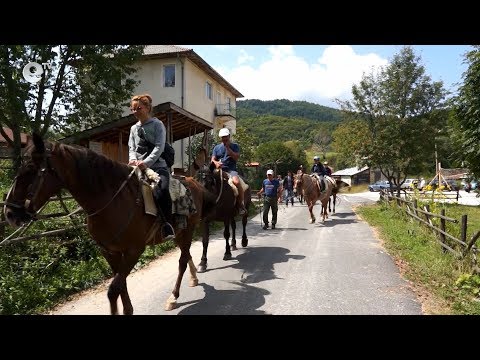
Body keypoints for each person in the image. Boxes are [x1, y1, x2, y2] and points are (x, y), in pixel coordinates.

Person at [128, 93, 175, 240]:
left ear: (148, 108)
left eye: (138, 108)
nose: (135, 112)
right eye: (133, 109)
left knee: (161, 190)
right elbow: (131, 148)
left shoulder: (157, 125)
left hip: (158, 167)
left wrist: (146, 163)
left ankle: (167, 225)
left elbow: (159, 147)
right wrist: (133, 160)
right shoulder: (133, 128)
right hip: (137, 168)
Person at [211, 127, 247, 215]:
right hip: (219, 170)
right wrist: (216, 163)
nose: (224, 139)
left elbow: (236, 157)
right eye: (222, 137)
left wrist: (228, 148)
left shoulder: (235, 146)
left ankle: (241, 205)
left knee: (237, 182)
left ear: (229, 136)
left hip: (231, 170)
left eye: (225, 137)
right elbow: (212, 159)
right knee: (208, 180)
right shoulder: (216, 148)